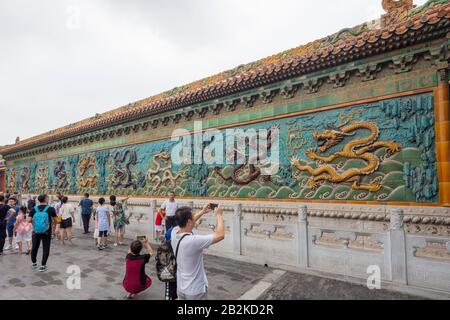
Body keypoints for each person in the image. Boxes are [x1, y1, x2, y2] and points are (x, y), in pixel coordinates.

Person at [171, 204, 225, 300]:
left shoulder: (174, 233)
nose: (194, 217)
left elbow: (187, 224)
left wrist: (202, 212)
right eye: (193, 216)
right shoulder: (193, 241)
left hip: (181, 287)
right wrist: (219, 215)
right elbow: (220, 235)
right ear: (188, 221)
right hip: (195, 290)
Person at [28, 194, 57, 272]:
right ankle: (43, 265)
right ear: (46, 199)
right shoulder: (51, 209)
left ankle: (34, 263)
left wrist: (36, 223)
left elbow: (29, 220)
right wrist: (53, 227)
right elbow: (55, 220)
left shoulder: (34, 209)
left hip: (35, 231)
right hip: (47, 231)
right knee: (46, 247)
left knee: (34, 247)